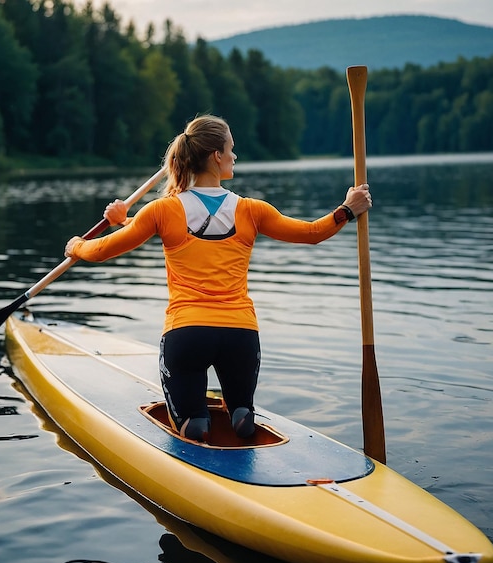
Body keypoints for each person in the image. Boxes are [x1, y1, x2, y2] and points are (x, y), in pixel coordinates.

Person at [65, 114, 372, 443]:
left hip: (188, 333)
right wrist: (348, 209)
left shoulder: (161, 210)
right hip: (240, 336)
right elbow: (311, 233)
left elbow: (102, 251)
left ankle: (194, 426)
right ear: (216, 156)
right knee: (240, 412)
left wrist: (78, 245)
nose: (234, 156)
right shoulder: (252, 210)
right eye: (231, 149)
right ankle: (242, 414)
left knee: (192, 423)